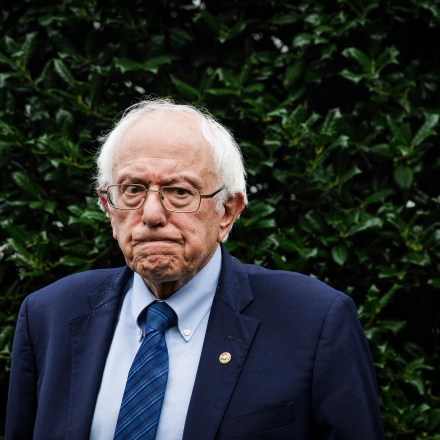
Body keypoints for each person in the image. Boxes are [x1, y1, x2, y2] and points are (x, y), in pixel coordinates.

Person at [6, 98, 384, 439]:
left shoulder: (312, 321)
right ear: (107, 206)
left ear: (229, 211)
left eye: (180, 192)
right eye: (133, 190)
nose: (152, 214)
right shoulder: (50, 315)